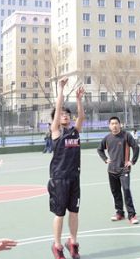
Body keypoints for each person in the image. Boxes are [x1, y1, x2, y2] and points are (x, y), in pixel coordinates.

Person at [45, 79, 85, 259]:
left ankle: (73, 243)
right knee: (60, 214)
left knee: (74, 213)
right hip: (59, 179)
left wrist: (79, 100)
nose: (65, 116)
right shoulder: (56, 131)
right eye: (61, 114)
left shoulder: (75, 131)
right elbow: (58, 107)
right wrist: (61, 89)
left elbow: (81, 117)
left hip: (74, 177)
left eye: (67, 114)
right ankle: (57, 245)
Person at [97, 116, 140, 224]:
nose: (114, 125)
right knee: (115, 192)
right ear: (109, 126)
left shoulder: (126, 136)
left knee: (126, 190)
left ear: (120, 124)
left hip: (124, 170)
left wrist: (132, 161)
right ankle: (120, 213)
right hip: (111, 170)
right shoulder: (107, 138)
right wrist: (105, 159)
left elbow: (136, 147)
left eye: (116, 123)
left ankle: (132, 215)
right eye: (112, 124)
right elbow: (99, 149)